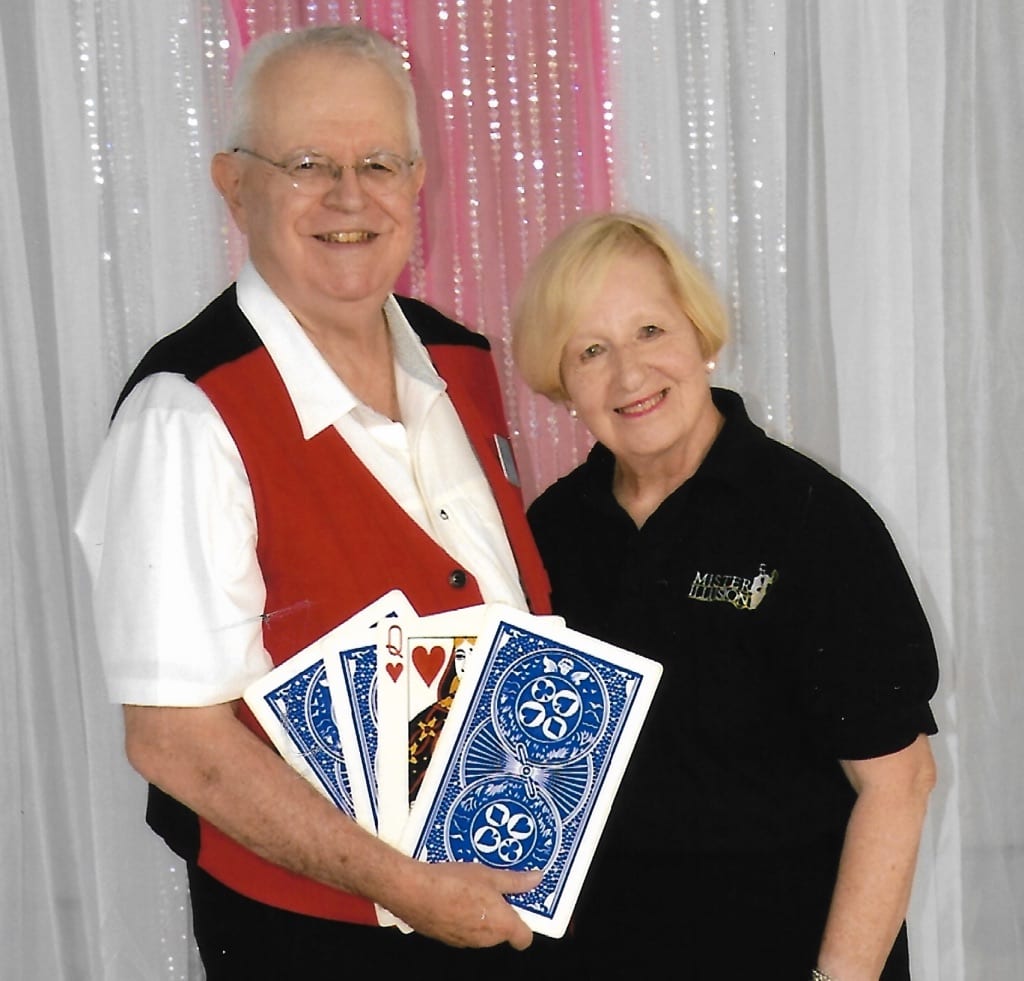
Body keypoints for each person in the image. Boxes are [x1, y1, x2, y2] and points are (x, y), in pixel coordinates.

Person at [75, 24, 563, 978]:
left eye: (379, 161)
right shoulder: (185, 413)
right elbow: (178, 743)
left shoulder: (460, 359)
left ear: (419, 181)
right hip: (319, 941)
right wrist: (413, 888)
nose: (351, 196)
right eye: (307, 163)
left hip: (501, 906)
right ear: (235, 184)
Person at [512, 211, 939, 979]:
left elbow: (898, 782)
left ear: (700, 333)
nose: (630, 375)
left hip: (789, 953)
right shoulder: (552, 531)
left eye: (650, 330)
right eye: (592, 350)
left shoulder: (814, 521)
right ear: (562, 380)